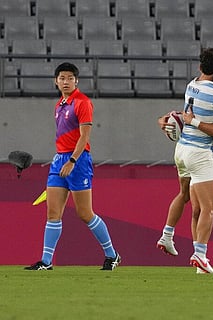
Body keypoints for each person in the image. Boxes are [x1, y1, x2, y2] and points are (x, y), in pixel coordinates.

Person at [25, 62, 120, 271]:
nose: (65, 81)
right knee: (52, 213)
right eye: (62, 78)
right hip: (59, 160)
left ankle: (112, 255)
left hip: (78, 161)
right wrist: (63, 159)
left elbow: (85, 136)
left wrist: (73, 161)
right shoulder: (59, 105)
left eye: (69, 78)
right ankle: (46, 261)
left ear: (76, 81)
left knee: (85, 213)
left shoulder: (82, 102)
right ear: (56, 81)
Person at [157, 67, 213, 274]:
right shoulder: (209, 101)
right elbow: (181, 114)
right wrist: (167, 121)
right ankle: (200, 257)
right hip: (203, 158)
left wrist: (192, 122)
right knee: (198, 210)